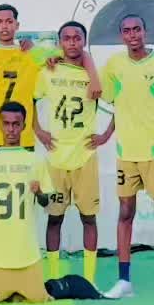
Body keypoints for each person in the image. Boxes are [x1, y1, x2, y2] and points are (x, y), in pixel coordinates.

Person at [97, 12, 154, 299]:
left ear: (145, 32)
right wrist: (107, 134)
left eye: (137, 29)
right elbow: (117, 103)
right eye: (127, 30)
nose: (132, 34)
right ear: (121, 36)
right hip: (127, 152)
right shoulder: (114, 65)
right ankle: (124, 282)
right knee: (125, 212)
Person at [33, 20, 105, 287]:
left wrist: (106, 135)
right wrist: (38, 130)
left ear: (84, 41)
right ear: (60, 42)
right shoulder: (48, 70)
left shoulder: (93, 73)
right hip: (56, 157)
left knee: (89, 218)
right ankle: (53, 276)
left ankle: (89, 279)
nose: (72, 42)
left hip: (85, 156)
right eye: (67, 38)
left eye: (77, 38)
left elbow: (120, 103)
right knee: (54, 218)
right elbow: (30, 100)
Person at [0, 102, 52, 303]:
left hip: (26, 250)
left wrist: (39, 192)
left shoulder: (35, 160)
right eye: (6, 124)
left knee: (39, 299)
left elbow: (46, 203)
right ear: (0, 125)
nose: (11, 129)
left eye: (16, 124)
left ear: (24, 126)